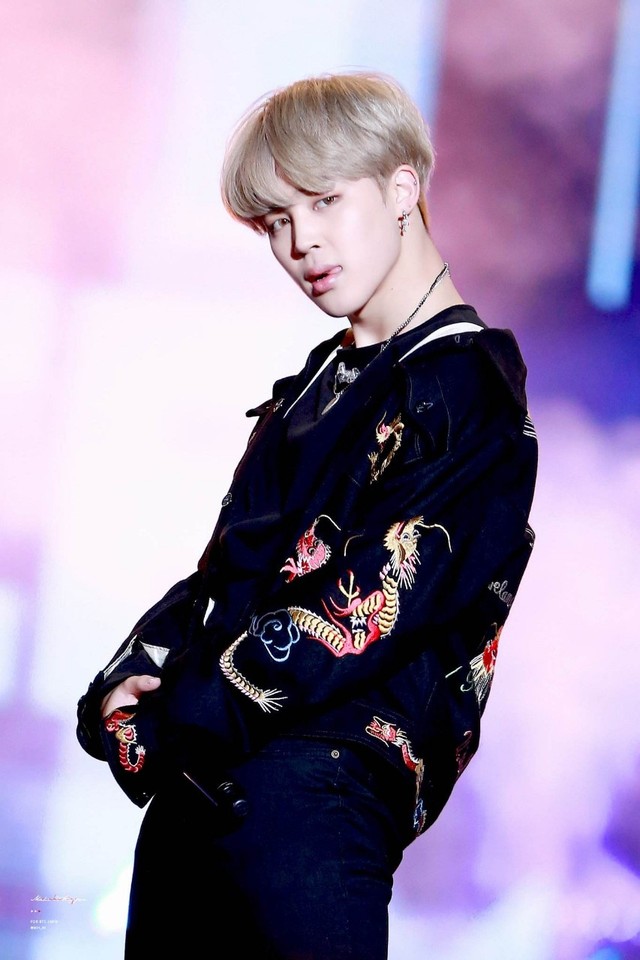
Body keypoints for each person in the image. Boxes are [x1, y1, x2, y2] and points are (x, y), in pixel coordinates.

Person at [77, 70, 538, 959]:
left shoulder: (464, 389)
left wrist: (172, 718)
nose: (301, 243)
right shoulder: (318, 384)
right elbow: (225, 575)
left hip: (311, 801)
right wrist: (125, 684)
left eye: (324, 201)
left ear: (401, 187)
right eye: (275, 223)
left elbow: (369, 604)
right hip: (196, 804)